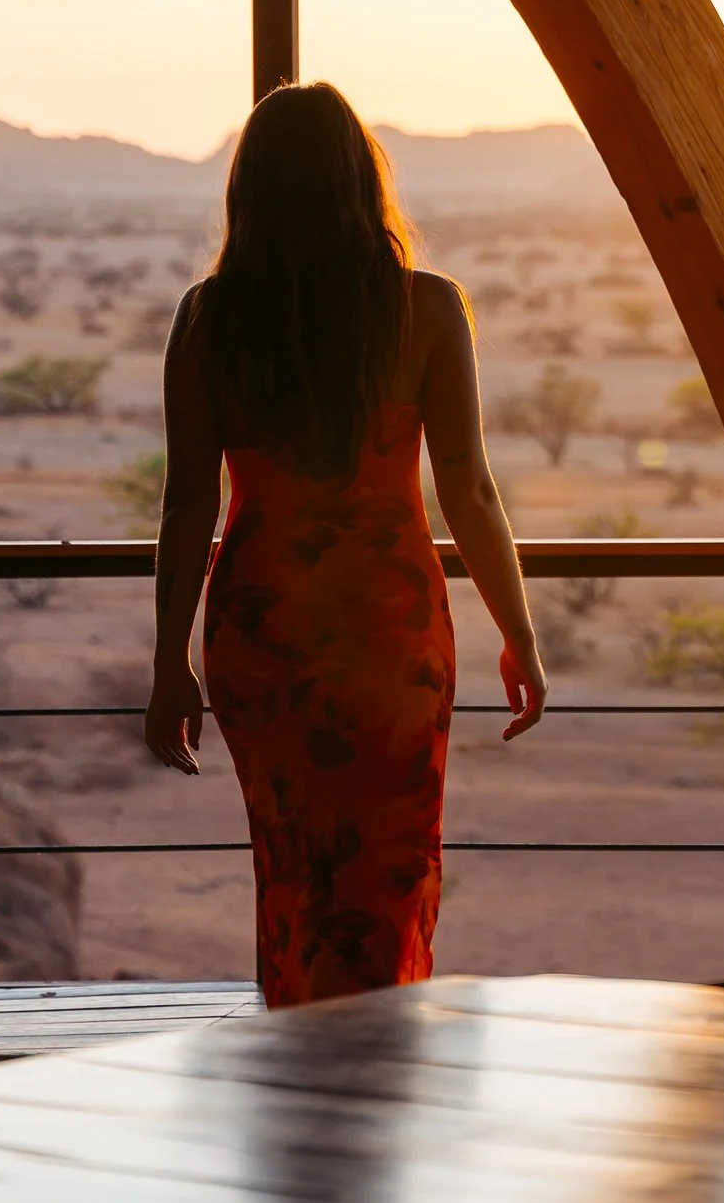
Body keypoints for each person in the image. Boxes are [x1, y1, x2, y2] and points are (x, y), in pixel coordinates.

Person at [144, 82, 545, 1007]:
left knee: (294, 866)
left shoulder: (210, 321)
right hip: (389, 633)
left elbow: (186, 508)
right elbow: (471, 491)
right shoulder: (430, 310)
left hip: (265, 629)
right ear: (363, 182)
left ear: (251, 191)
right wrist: (519, 630)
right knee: (388, 865)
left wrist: (170, 663)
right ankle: (374, 1061)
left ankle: (298, 1057)